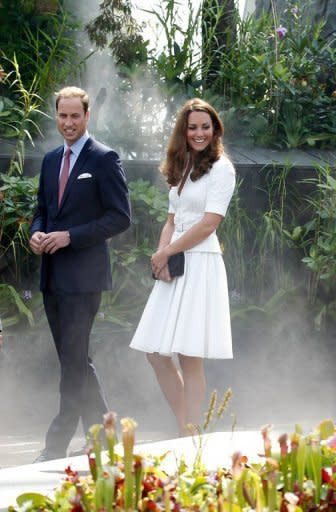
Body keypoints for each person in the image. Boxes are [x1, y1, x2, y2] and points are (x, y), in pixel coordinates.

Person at [30, 86, 131, 461]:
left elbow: (120, 217)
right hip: (52, 276)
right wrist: (36, 233)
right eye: (62, 116)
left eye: (75, 116)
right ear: (56, 116)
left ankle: (56, 443)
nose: (68, 122)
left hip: (85, 278)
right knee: (74, 361)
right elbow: (41, 209)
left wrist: (70, 236)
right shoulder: (51, 159)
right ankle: (107, 436)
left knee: (74, 359)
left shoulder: (104, 159)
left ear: (87, 117)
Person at [130, 98, 235, 436]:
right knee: (156, 353)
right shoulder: (182, 166)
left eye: (206, 126)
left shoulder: (222, 168)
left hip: (201, 264)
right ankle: (186, 428)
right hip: (175, 263)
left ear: (215, 129)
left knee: (190, 356)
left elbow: (208, 224)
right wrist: (162, 255)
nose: (199, 132)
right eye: (193, 127)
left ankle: (189, 435)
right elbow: (172, 220)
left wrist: (167, 252)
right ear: (184, 131)